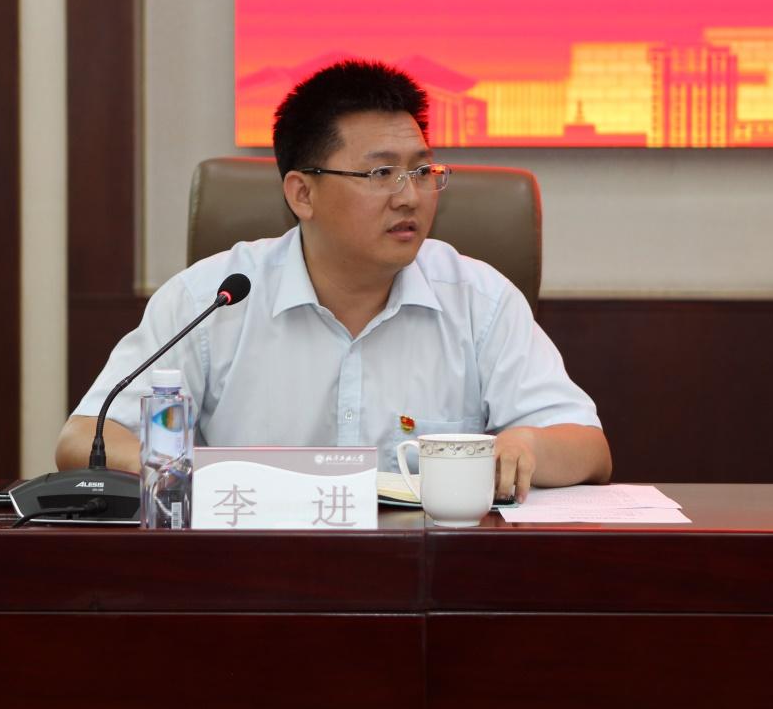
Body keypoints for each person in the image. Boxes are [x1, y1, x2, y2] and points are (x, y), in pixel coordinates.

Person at [57, 60, 610, 501]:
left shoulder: (478, 300)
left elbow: (588, 448)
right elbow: (85, 439)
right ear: (302, 194)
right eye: (381, 173)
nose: (410, 196)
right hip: (250, 574)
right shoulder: (214, 299)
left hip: (428, 576)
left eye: (422, 171)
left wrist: (525, 444)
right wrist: (204, 475)